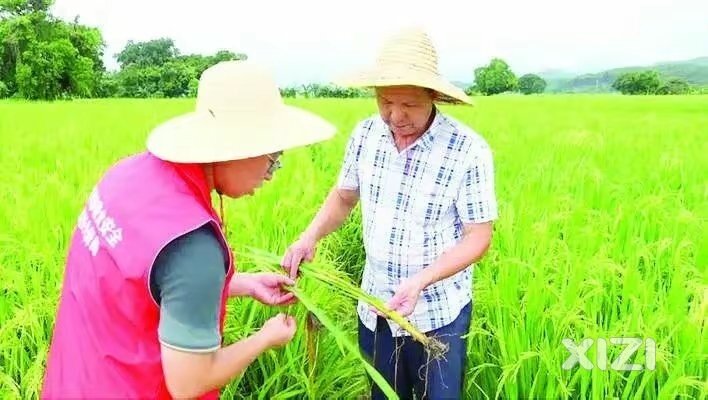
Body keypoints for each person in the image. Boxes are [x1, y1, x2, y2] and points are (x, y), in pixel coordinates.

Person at [41, 60, 335, 399]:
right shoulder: (194, 245)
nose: (271, 174)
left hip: (76, 381)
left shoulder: (127, 176)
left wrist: (244, 284)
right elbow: (189, 383)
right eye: (273, 158)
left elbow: (146, 285)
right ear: (237, 148)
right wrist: (265, 338)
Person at [281, 27, 498, 399]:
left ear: (433, 96)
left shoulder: (467, 150)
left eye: (409, 105)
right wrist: (308, 237)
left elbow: (479, 235)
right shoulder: (365, 135)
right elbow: (344, 198)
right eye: (385, 101)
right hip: (376, 309)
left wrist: (421, 281)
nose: (395, 115)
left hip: (438, 315)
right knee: (383, 394)